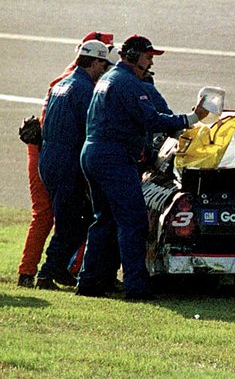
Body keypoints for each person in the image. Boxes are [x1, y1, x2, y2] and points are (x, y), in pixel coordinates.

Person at [76, 35, 209, 300]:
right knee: (133, 219)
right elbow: (152, 119)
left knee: (103, 220)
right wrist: (192, 118)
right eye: (148, 57)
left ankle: (88, 281)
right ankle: (136, 287)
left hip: (93, 153)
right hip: (113, 157)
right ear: (134, 56)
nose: (149, 64)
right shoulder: (128, 83)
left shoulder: (108, 79)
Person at [16, 31, 114, 288]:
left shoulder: (61, 84)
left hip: (49, 159)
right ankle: (47, 272)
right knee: (71, 222)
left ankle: (54, 268)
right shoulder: (85, 89)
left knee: (72, 218)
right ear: (93, 62)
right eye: (104, 63)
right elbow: (93, 127)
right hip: (66, 161)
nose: (106, 69)